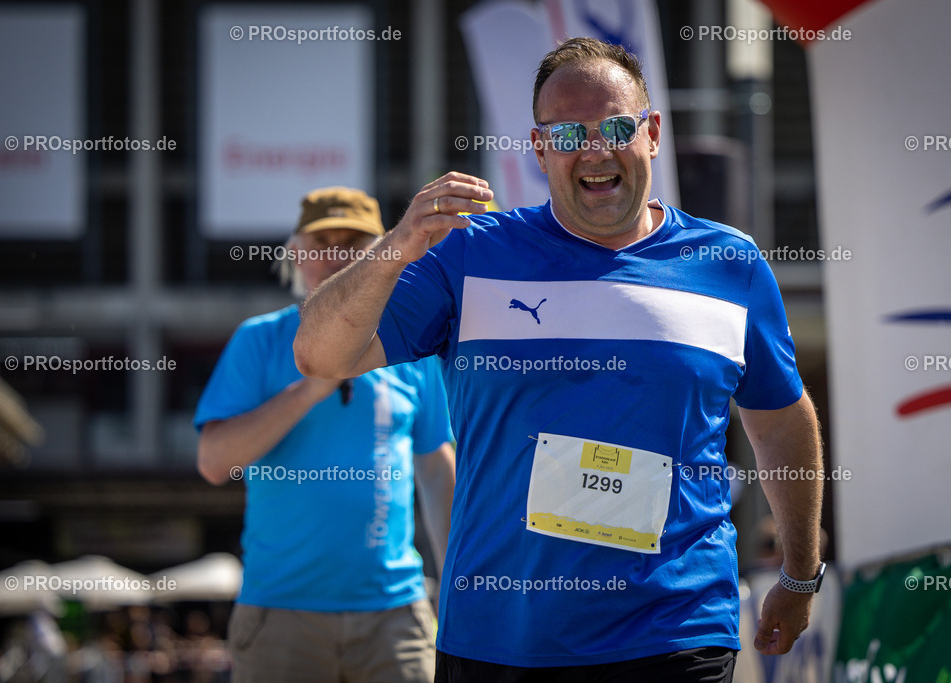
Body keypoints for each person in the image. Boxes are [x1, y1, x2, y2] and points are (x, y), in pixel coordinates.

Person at [293, 38, 824, 681]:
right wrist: (397, 247)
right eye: (570, 133)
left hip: (674, 630)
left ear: (653, 134)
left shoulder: (730, 265)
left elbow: (780, 423)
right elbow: (320, 355)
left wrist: (800, 574)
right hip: (500, 638)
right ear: (541, 149)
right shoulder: (470, 254)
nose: (596, 150)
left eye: (616, 127)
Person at [195, 187, 455, 683]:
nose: (336, 256)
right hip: (280, 614)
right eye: (322, 243)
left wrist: (458, 585)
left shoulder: (414, 349)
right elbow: (213, 462)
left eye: (353, 244)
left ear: (382, 255)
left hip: (394, 613)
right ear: (296, 255)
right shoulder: (260, 339)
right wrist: (311, 385)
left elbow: (437, 471)